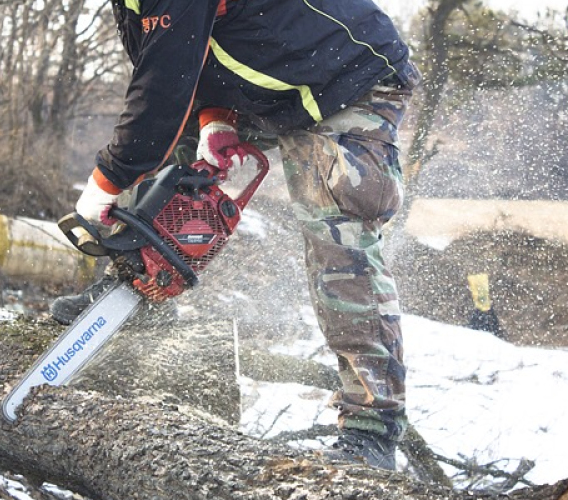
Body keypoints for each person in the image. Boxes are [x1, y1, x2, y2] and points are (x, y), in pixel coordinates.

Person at [52, 0, 421, 471]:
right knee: (176, 155)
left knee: (336, 233)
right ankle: (138, 287)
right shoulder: (131, 7)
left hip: (349, 77)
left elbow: (160, 95)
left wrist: (104, 183)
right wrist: (216, 120)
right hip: (278, 85)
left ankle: (373, 426)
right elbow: (191, 63)